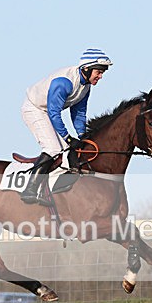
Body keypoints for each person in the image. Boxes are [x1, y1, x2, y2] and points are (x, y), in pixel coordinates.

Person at [19, 48, 113, 204]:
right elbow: (54, 113)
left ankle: (50, 190)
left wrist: (82, 136)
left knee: (69, 153)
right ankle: (30, 189)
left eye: (103, 72)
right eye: (99, 72)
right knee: (53, 148)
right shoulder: (64, 83)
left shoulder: (86, 87)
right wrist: (68, 138)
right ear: (87, 69)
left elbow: (79, 113)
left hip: (48, 111)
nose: (101, 76)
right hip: (35, 108)